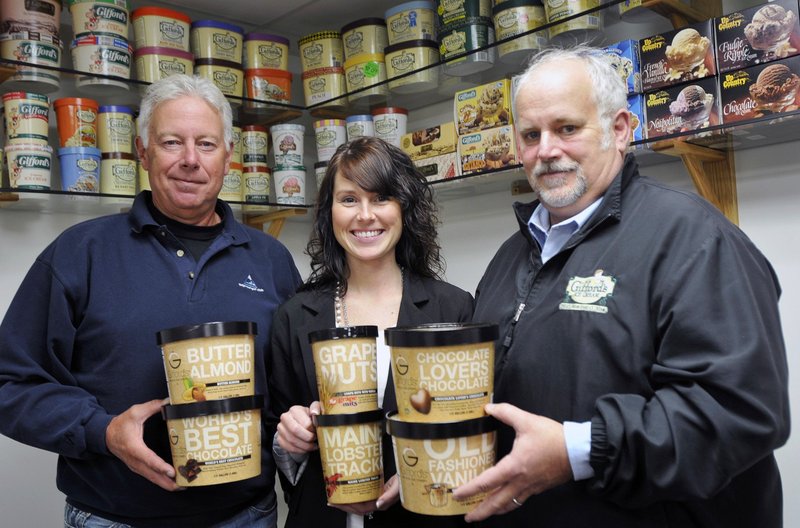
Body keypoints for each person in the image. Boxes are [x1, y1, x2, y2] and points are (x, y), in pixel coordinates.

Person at [452, 46, 790, 527]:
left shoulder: (694, 239)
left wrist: (577, 451)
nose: (546, 150)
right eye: (531, 134)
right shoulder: (511, 255)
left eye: (567, 128)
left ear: (619, 130)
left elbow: (739, 413)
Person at [0, 74, 301, 527]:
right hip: (113, 518)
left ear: (227, 156)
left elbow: (292, 388)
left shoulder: (271, 259)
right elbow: (10, 383)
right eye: (171, 142)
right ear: (143, 151)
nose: (189, 160)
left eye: (205, 144)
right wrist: (102, 431)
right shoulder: (80, 252)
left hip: (246, 516)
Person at [267, 136, 474, 528]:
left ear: (404, 208)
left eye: (380, 198)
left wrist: (421, 472)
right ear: (330, 212)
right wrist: (289, 437)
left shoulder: (453, 308)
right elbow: (274, 436)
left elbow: (468, 436)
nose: (365, 215)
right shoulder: (295, 316)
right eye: (348, 200)